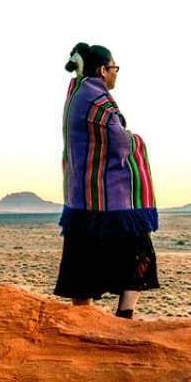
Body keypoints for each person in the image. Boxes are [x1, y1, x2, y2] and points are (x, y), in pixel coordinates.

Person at [55, 42, 159, 317]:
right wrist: (137, 140)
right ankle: (124, 318)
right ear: (103, 69)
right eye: (114, 68)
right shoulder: (97, 99)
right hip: (109, 200)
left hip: (80, 197)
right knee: (139, 255)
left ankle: (83, 321)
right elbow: (120, 143)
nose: (116, 74)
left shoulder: (76, 93)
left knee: (83, 265)